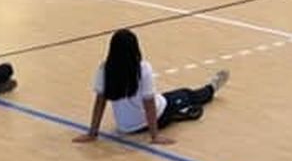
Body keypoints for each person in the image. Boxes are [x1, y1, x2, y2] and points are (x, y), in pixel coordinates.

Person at [73, 28, 227, 145]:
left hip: (124, 126)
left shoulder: (105, 69)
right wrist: (155, 136)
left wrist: (92, 133)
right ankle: (211, 88)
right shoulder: (143, 69)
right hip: (153, 117)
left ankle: (181, 112)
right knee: (187, 94)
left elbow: (100, 102)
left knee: (172, 96)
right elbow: (149, 104)